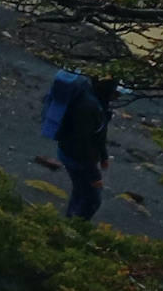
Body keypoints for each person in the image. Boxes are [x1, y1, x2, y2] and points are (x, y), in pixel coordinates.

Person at [50, 72, 118, 220]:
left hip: (71, 151)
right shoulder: (89, 107)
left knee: (80, 190)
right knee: (92, 201)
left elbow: (99, 132)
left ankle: (69, 220)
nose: (117, 96)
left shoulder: (98, 101)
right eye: (115, 92)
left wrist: (103, 155)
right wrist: (95, 175)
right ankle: (72, 230)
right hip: (74, 155)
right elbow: (82, 144)